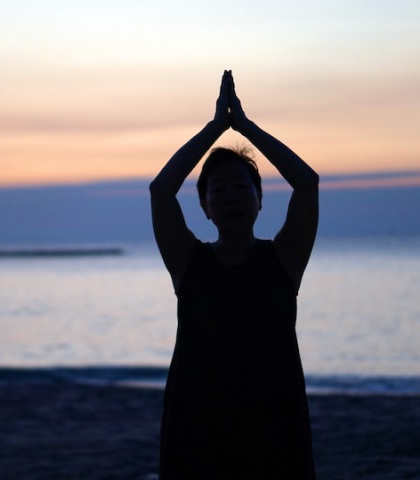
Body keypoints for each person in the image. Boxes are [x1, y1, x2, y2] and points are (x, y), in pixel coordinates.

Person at [150, 70, 319, 479]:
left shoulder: (284, 259)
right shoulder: (188, 263)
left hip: (274, 423)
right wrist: (214, 128)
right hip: (198, 425)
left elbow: (307, 183)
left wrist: (244, 127)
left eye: (242, 188)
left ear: (260, 199)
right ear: (205, 208)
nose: (231, 198)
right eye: (218, 191)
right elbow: (161, 190)